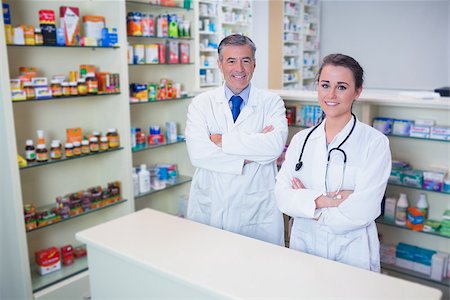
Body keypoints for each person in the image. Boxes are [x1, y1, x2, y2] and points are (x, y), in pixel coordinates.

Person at [275, 53, 391, 271]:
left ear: (357, 91)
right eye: (325, 85)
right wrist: (326, 200)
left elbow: (364, 209)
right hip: (304, 246)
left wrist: (308, 205)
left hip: (351, 250)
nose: (331, 94)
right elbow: (282, 197)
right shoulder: (301, 140)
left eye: (342, 87)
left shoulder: (374, 143)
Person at [185, 34, 288, 245]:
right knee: (207, 268)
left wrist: (223, 141)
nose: (239, 68)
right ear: (220, 65)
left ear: (254, 64)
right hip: (211, 204)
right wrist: (252, 151)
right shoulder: (201, 103)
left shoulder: (271, 102)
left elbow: (274, 147)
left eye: (245, 60)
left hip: (256, 209)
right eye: (231, 61)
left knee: (256, 272)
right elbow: (199, 154)